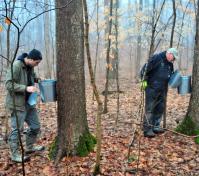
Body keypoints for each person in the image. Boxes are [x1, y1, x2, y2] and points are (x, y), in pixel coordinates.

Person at [5, 49, 44, 162]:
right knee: (17, 130)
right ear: (30, 59)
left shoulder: (30, 67)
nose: (37, 65)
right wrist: (25, 88)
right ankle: (14, 154)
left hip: (29, 103)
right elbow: (8, 84)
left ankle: (29, 147)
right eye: (36, 62)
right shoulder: (16, 66)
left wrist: (39, 80)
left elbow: (32, 77)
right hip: (17, 104)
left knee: (35, 126)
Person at [142, 48, 178, 138]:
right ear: (169, 54)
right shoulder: (157, 58)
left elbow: (171, 76)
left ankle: (155, 127)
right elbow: (144, 70)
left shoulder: (170, 64)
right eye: (173, 57)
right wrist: (143, 82)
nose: (173, 60)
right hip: (151, 88)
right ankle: (147, 130)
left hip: (163, 89)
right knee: (150, 109)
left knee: (159, 108)